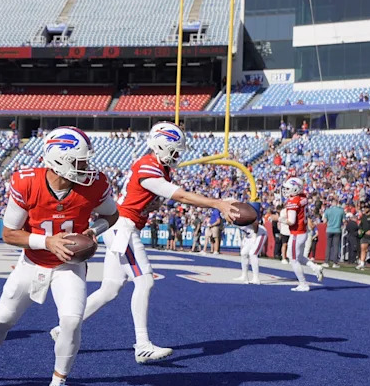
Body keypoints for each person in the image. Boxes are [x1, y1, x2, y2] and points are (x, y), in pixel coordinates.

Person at [0, 126, 120, 386]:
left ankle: (58, 383)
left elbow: (112, 215)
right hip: (32, 262)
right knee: (2, 321)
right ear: (58, 160)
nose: (87, 168)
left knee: (72, 321)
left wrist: (94, 230)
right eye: (80, 162)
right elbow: (9, 233)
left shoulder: (95, 184)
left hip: (69, 266)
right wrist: (47, 241)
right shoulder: (27, 182)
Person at [60, 122, 239, 364]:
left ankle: (63, 329)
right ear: (161, 146)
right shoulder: (148, 167)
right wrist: (218, 203)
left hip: (122, 226)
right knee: (144, 281)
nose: (176, 156)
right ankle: (142, 345)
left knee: (110, 289)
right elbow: (182, 196)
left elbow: (151, 198)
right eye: (174, 150)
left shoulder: (156, 166)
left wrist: (151, 204)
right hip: (124, 227)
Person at [283, 177, 324, 292]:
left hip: (297, 233)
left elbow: (291, 221)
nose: (286, 190)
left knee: (293, 259)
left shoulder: (293, 201)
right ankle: (315, 267)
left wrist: (281, 220)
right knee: (299, 257)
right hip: (303, 231)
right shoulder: (302, 197)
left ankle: (303, 284)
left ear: (295, 189)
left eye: (288, 188)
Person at [235, 201, 266, 284]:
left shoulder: (242, 215)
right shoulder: (233, 218)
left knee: (253, 254)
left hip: (260, 233)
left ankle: (256, 278)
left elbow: (255, 223)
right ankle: (244, 276)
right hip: (249, 235)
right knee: (244, 253)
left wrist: (255, 235)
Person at [322, 195, 344, 268]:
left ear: (331, 203)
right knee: (336, 246)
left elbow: (324, 221)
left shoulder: (327, 210)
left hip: (329, 229)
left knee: (328, 246)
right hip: (337, 229)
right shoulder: (341, 210)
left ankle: (326, 262)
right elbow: (344, 221)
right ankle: (335, 262)